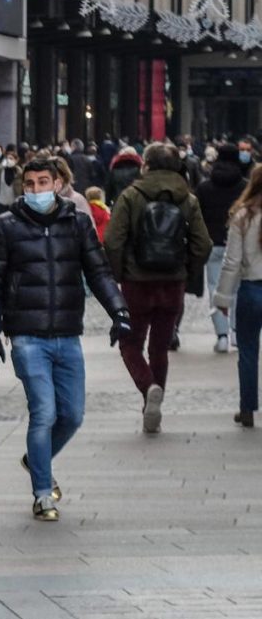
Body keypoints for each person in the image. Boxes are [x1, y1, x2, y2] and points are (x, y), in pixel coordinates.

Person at [0, 158, 130, 522]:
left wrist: (119, 311)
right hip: (27, 335)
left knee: (73, 415)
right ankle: (43, 494)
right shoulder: (6, 227)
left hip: (67, 333)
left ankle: (36, 460)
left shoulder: (77, 223)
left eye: (42, 182)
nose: (35, 190)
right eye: (29, 184)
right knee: (44, 412)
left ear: (59, 183)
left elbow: (97, 270)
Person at [104, 143, 213, 434]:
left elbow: (113, 240)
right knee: (160, 347)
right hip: (172, 283)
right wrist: (186, 270)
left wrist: (120, 274)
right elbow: (204, 244)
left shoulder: (130, 195)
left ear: (146, 166)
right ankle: (154, 403)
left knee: (130, 344)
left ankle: (147, 388)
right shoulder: (188, 199)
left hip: (137, 283)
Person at [214, 166, 262, 428]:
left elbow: (231, 262)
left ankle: (247, 409)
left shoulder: (242, 217)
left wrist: (222, 298)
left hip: (252, 289)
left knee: (248, 351)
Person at [198, 144, 249, 352]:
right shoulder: (244, 186)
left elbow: (197, 216)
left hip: (212, 243)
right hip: (238, 242)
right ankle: (236, 332)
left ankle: (221, 335)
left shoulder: (204, 187)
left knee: (214, 287)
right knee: (237, 288)